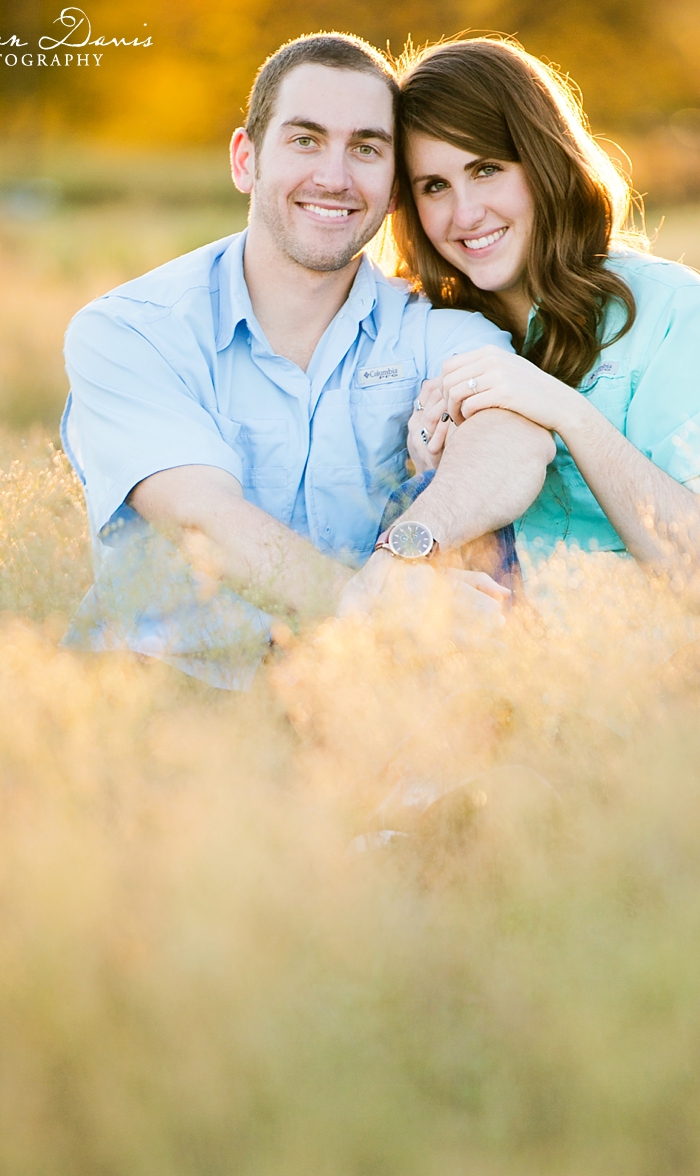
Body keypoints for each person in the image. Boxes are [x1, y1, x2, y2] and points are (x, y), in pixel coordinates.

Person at [60, 31, 555, 689]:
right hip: (162, 690)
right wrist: (377, 609)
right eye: (305, 140)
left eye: (366, 149)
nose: (334, 176)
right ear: (245, 160)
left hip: (359, 703)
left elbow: (515, 437)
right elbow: (200, 515)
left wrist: (400, 565)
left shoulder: (438, 330)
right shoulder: (129, 332)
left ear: (395, 187)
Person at [389, 37, 700, 701]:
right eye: (434, 186)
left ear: (543, 161)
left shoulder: (669, 310)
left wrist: (569, 414)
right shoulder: (435, 341)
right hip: (592, 696)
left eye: (488, 169)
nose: (465, 214)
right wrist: (434, 479)